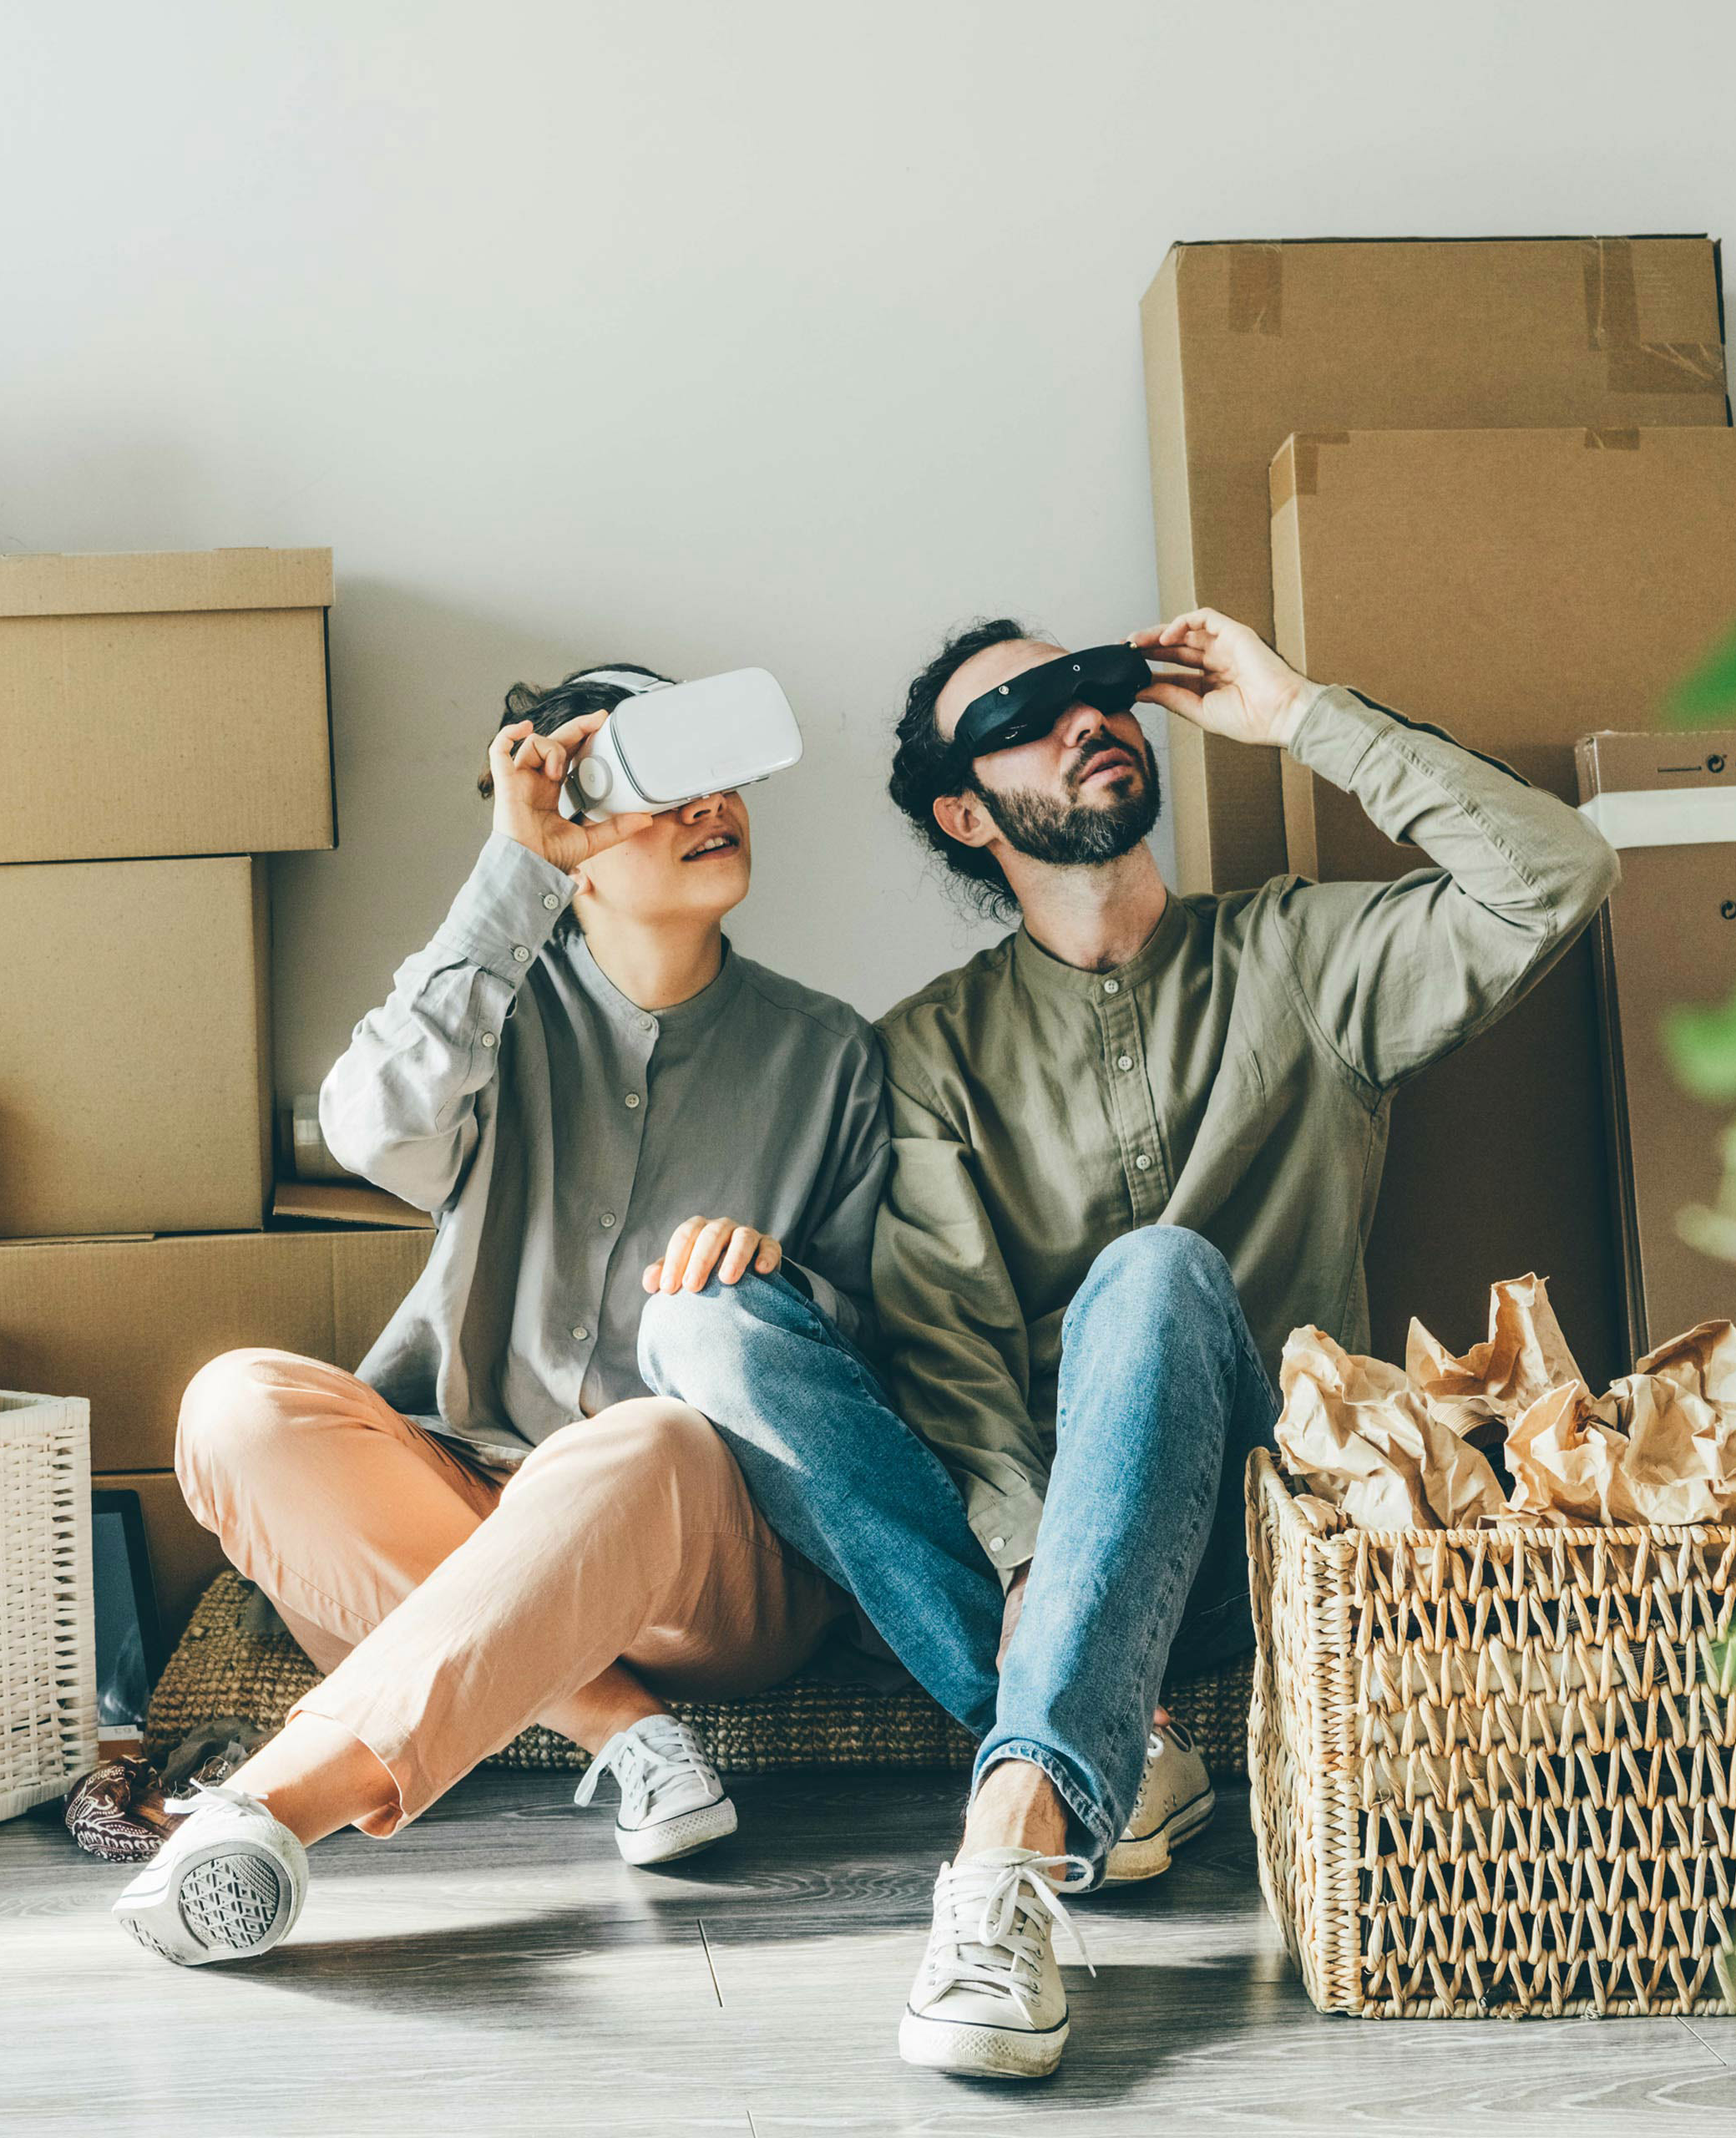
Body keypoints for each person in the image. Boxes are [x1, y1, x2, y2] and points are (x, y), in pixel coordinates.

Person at [653, 608, 1618, 2076]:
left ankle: (1013, 1839)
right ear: (965, 813)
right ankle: (1121, 1746)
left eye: (1099, 690)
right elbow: (954, 1361)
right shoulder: (928, 1054)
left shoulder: (1302, 954)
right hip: (1022, 1563)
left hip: (1246, 1547)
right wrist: (1043, 1569)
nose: (1088, 717)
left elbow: (1559, 877)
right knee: (705, 1327)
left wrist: (1302, 713)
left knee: (1157, 1273)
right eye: (1030, 712)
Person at [111, 662, 893, 1968]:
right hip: (451, 1507)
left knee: (641, 1441)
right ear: (572, 839)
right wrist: (507, 880)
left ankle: (268, 1811)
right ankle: (623, 1733)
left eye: (717, 773)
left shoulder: (833, 1057)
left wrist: (779, 1289)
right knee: (235, 1405)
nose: (711, 803)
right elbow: (371, 1129)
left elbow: (882, 1358)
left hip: (702, 1554)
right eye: (653, 784)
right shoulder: (491, 1013)